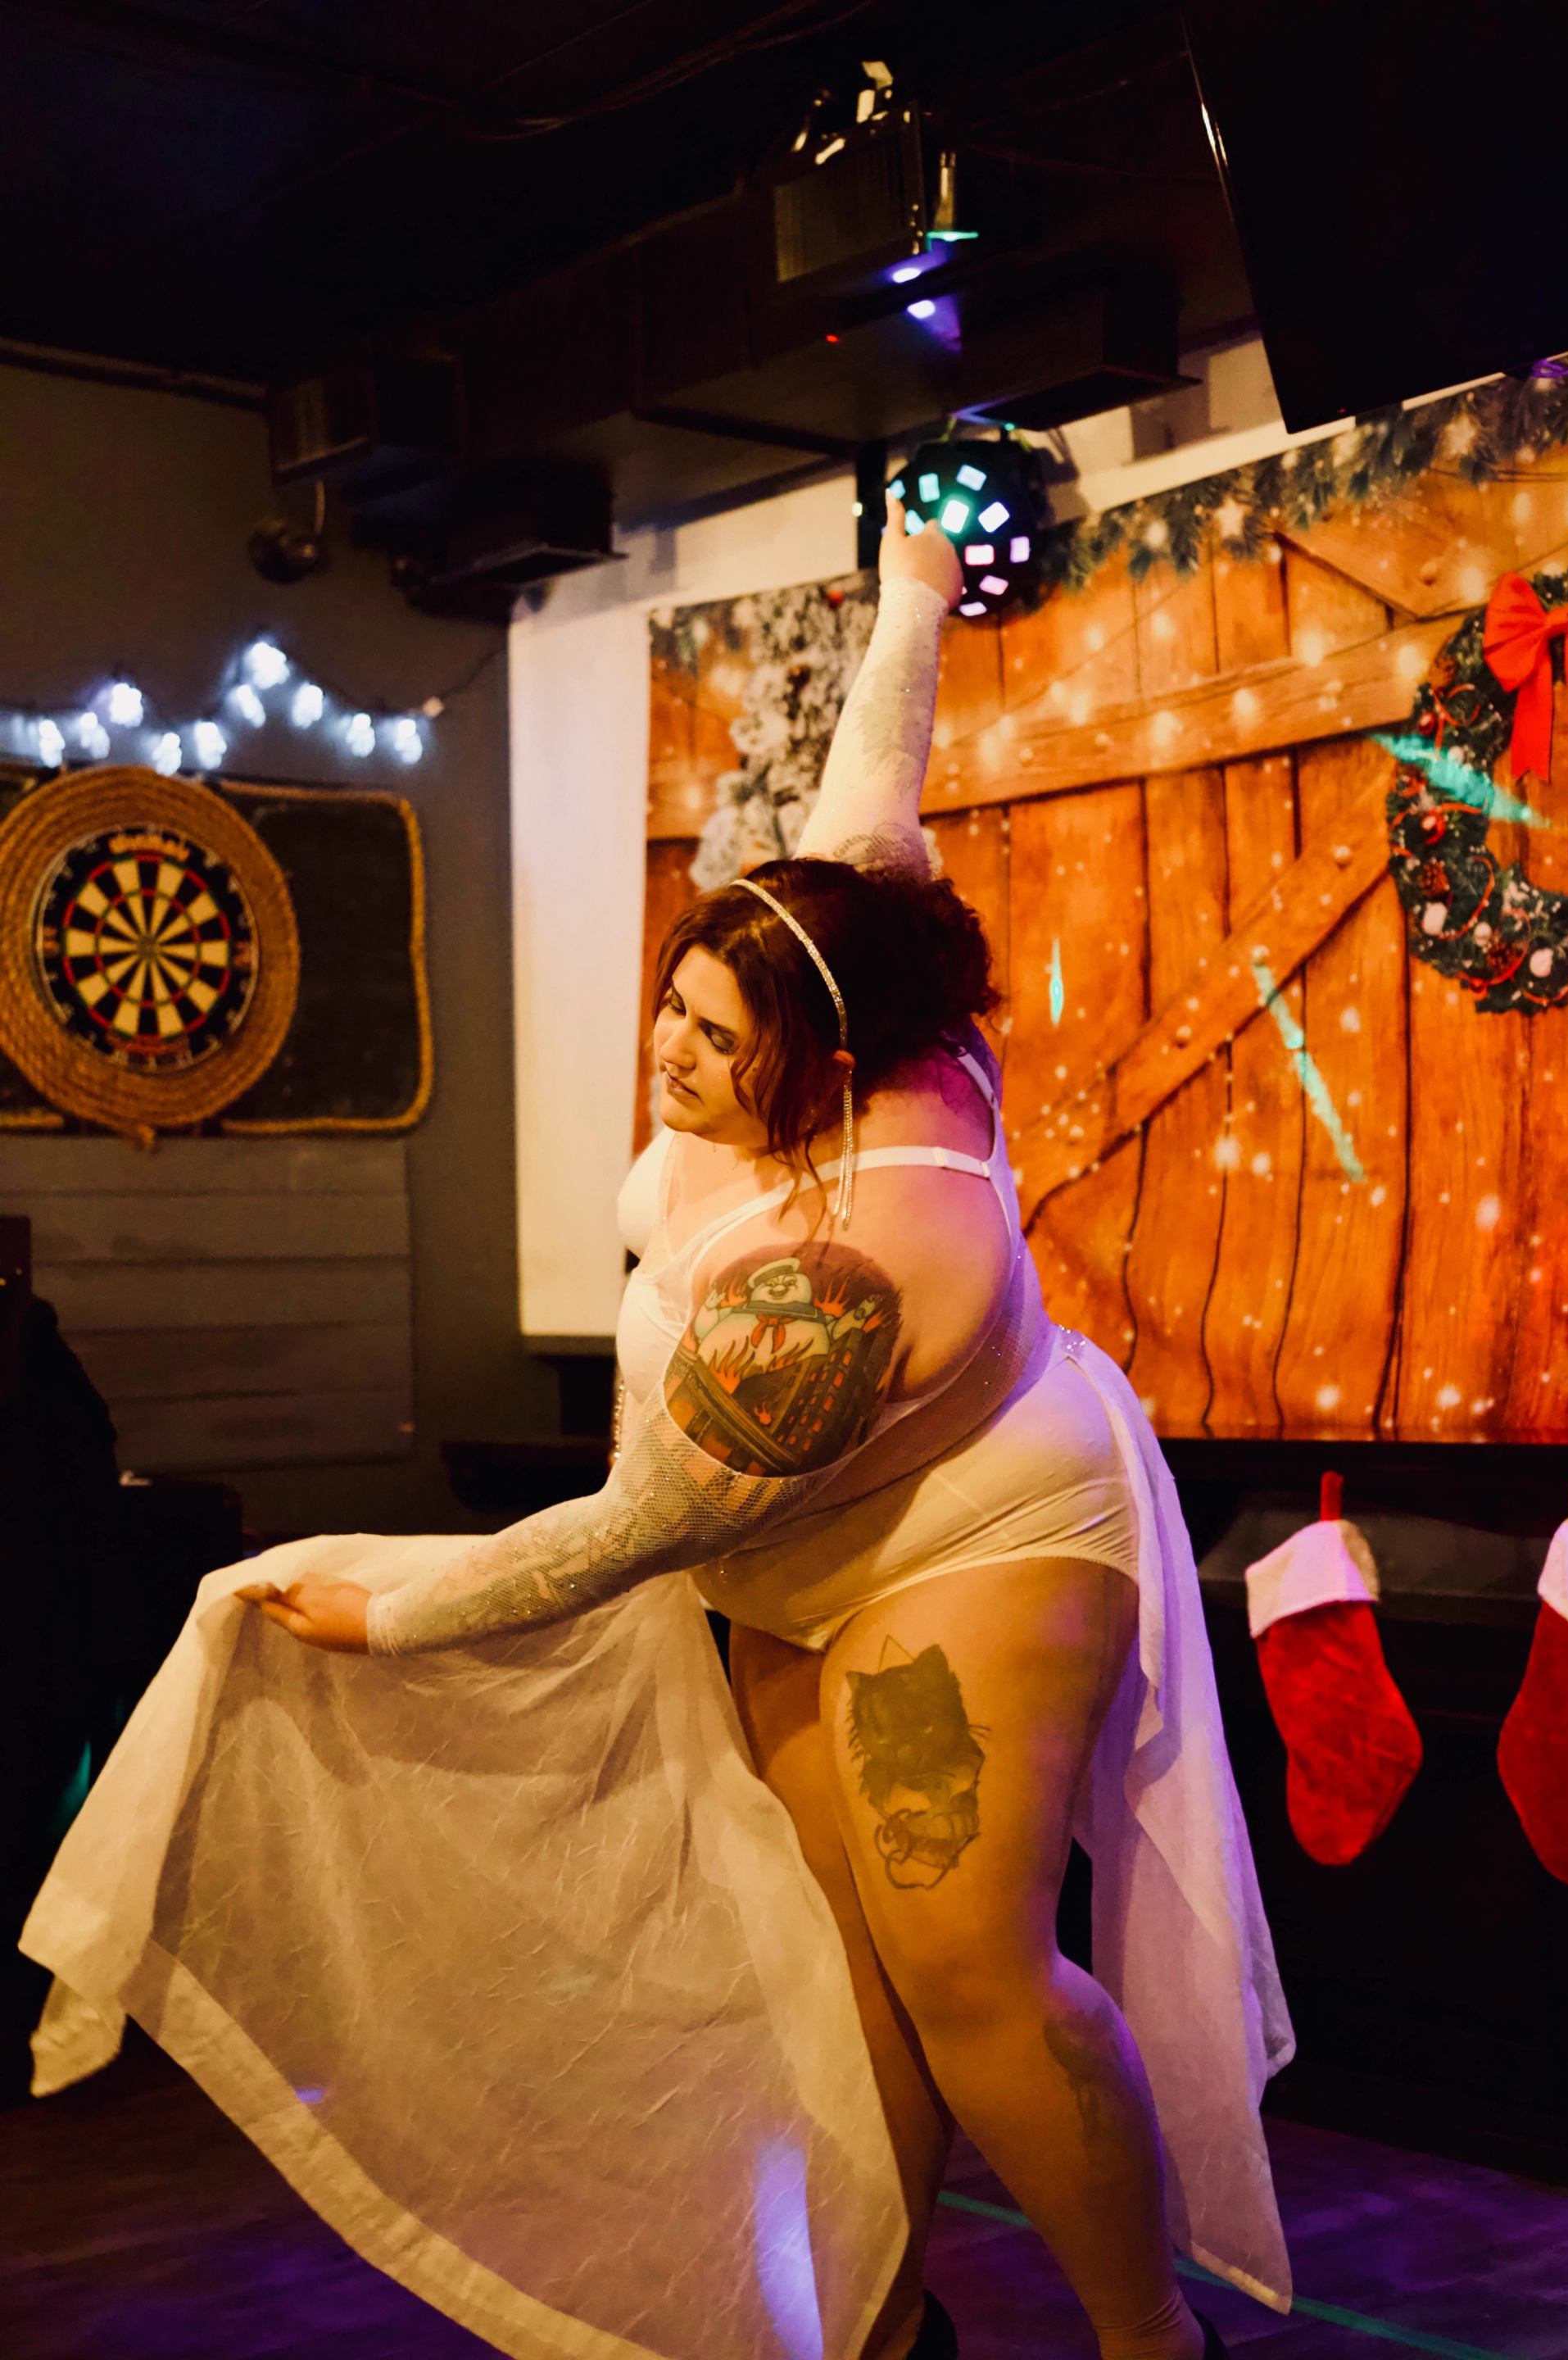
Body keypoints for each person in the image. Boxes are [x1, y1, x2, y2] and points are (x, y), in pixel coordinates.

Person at [24, 499, 1291, 2360]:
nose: (669, 1053)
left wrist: (389, 1611)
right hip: (792, 1554)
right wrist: (917, 597)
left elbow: (636, 1528)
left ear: (828, 1065)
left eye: (708, 1034)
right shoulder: (844, 952)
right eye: (672, 1007)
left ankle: (1145, 2341)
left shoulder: (844, 1279)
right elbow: (878, 775)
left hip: (976, 1537)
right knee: (835, 1960)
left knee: (964, 1961)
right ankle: (879, 2322)